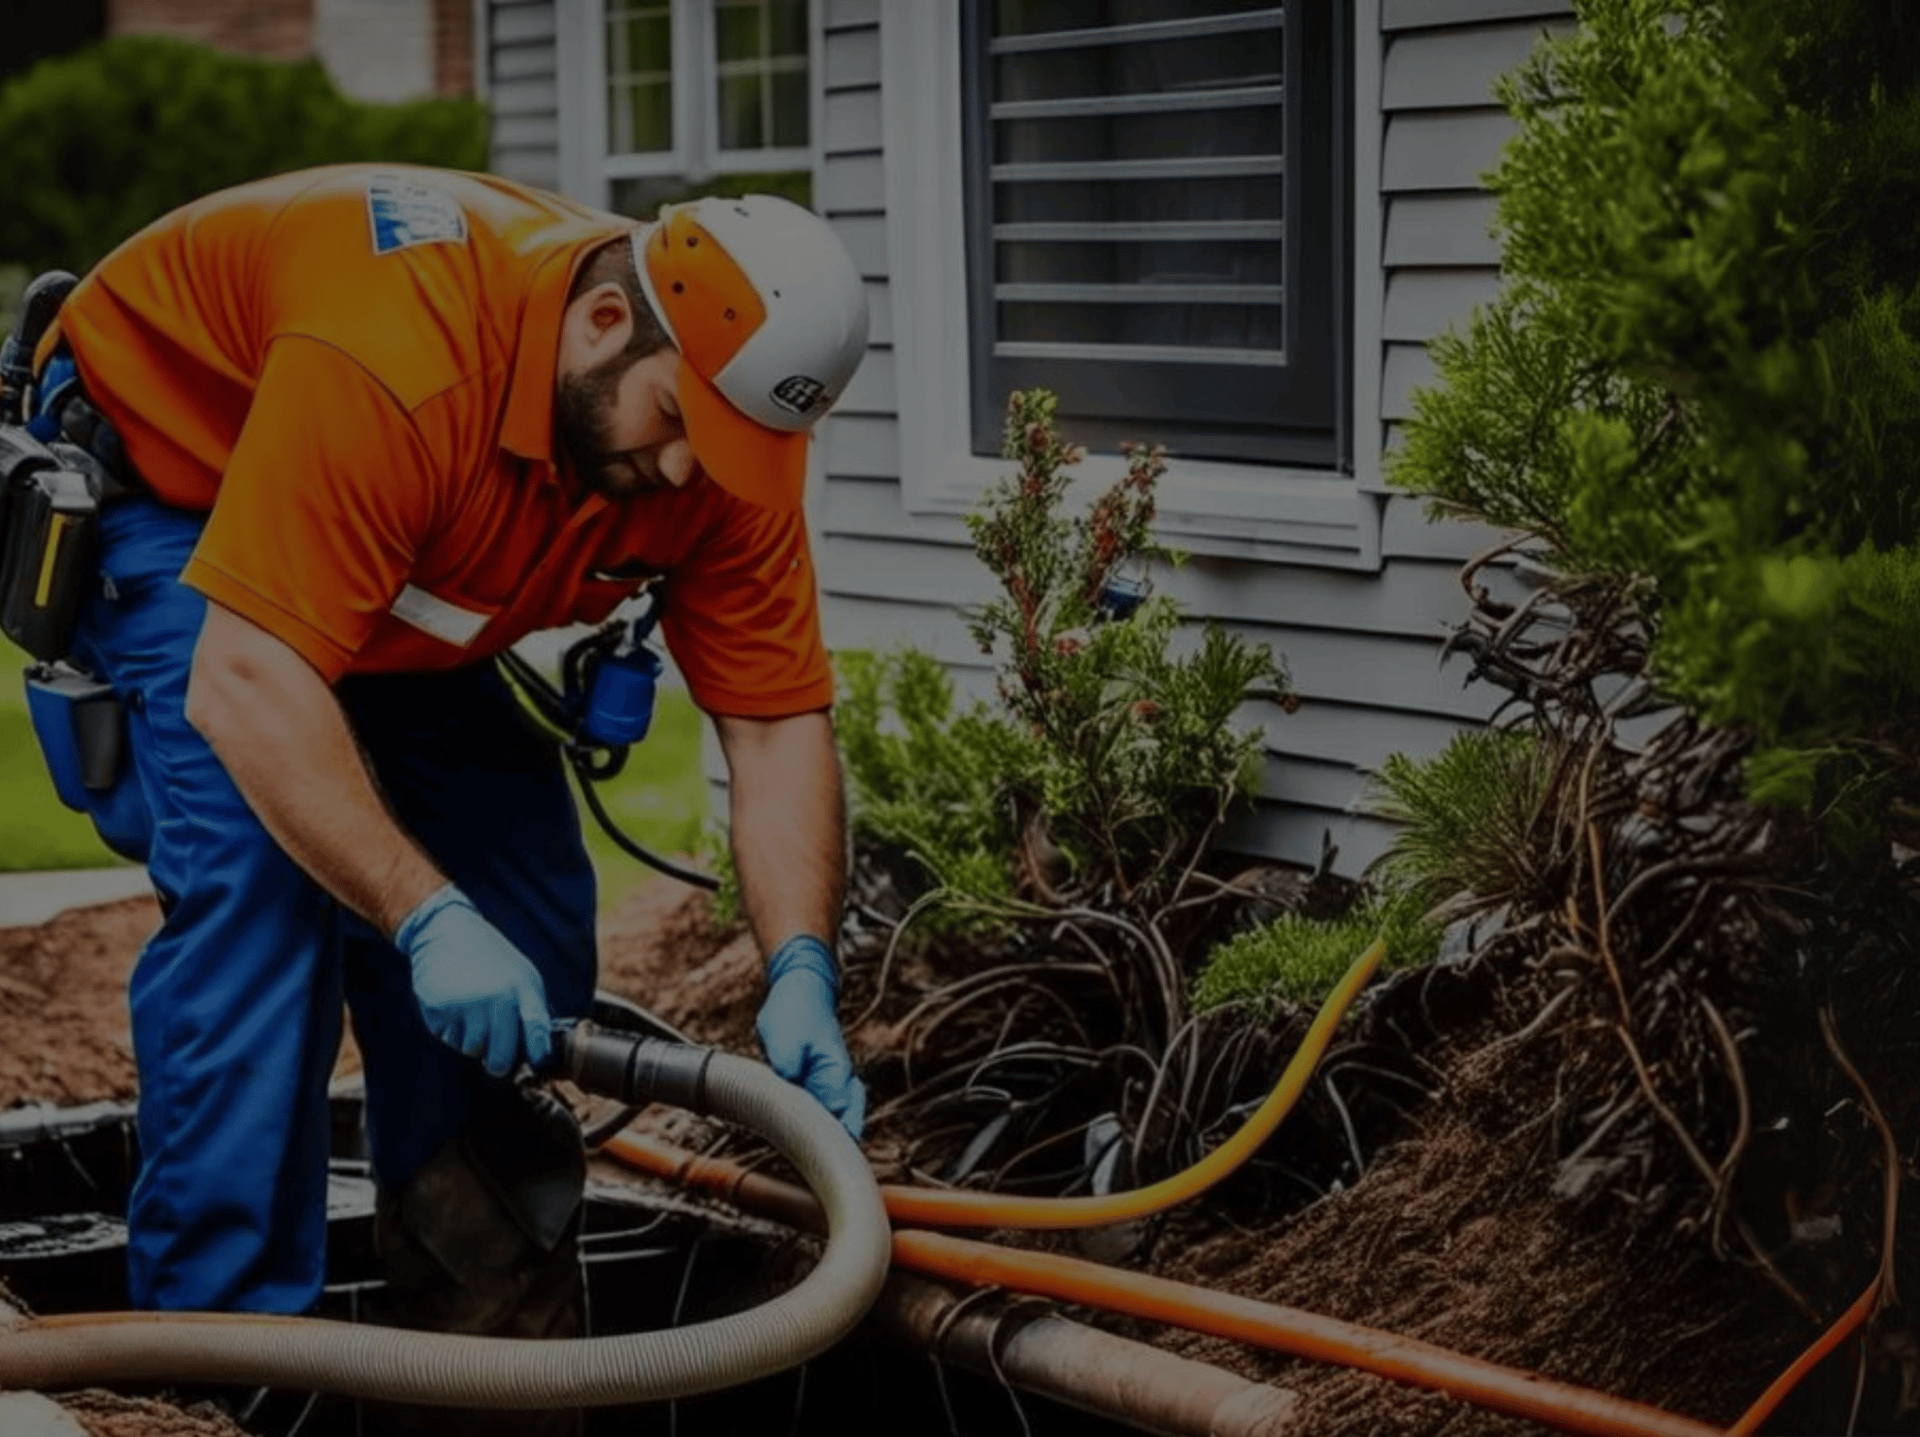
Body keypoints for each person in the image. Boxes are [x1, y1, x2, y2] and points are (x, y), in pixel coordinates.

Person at [23, 164, 870, 1429]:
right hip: (178, 491)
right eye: (674, 420)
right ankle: (214, 1380)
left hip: (396, 559)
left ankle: (495, 1358)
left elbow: (777, 725)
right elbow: (250, 680)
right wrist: (422, 917)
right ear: (602, 324)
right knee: (262, 897)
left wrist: (799, 961)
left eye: (731, 448)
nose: (693, 469)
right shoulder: (401, 351)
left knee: (520, 896)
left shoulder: (722, 444)